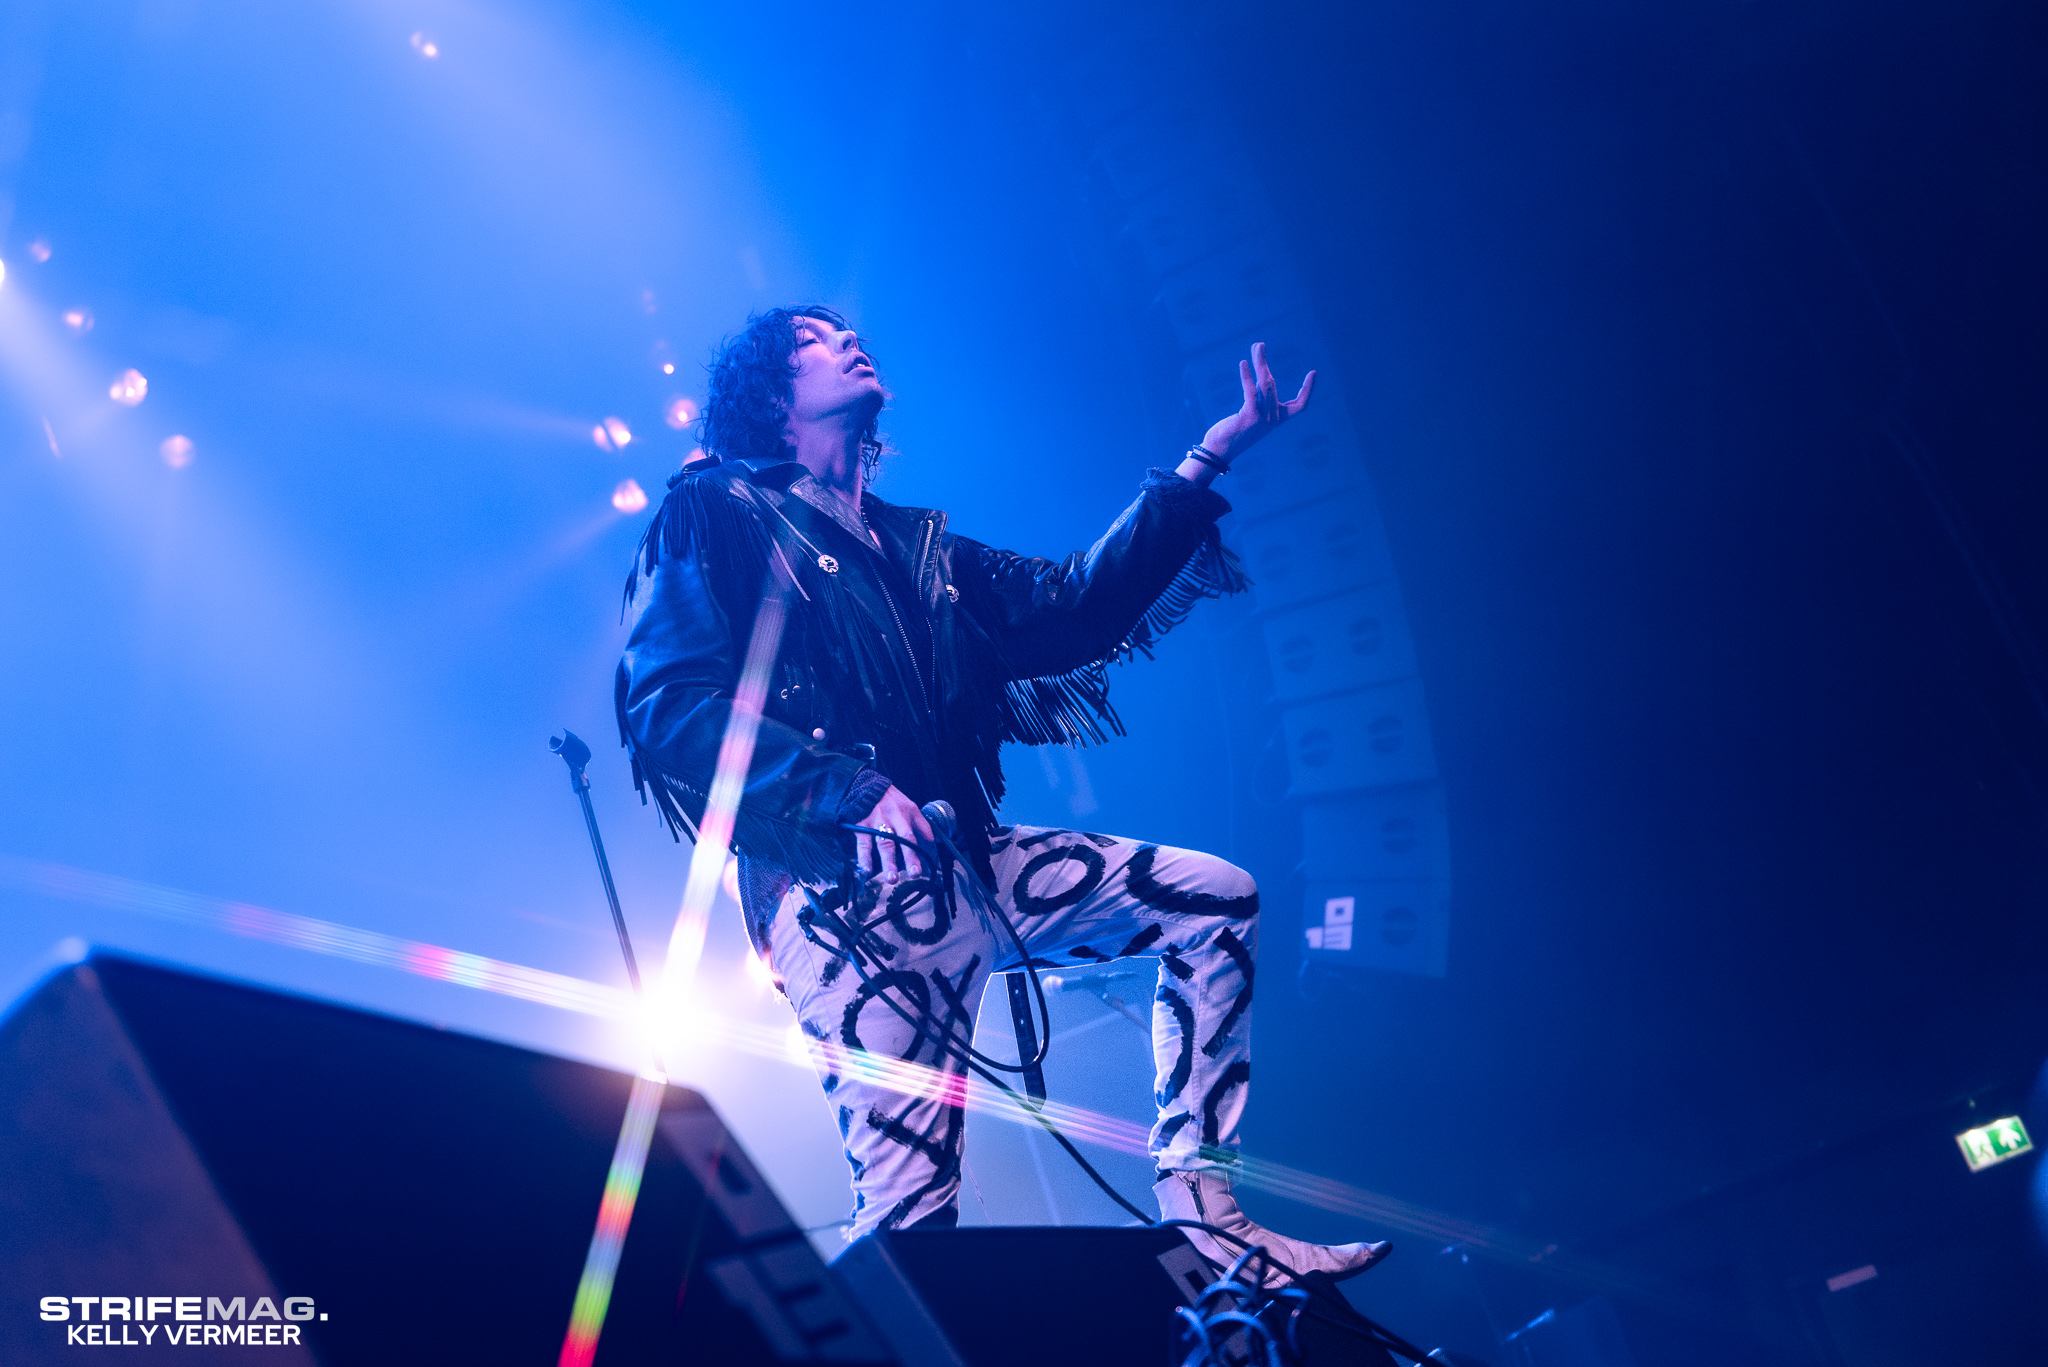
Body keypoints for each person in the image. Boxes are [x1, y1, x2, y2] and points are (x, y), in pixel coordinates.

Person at [615, 305, 1388, 1281]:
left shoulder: (918, 546)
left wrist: (1204, 464)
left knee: (1214, 899)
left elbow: (1075, 609)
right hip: (846, 905)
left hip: (973, 867)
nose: (849, 341)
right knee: (910, 1240)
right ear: (770, 393)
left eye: (848, 331)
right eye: (813, 338)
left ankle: (1204, 1209)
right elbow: (669, 706)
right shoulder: (716, 512)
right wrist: (847, 791)